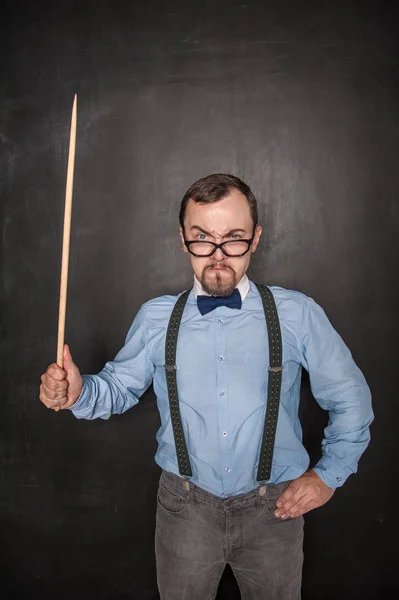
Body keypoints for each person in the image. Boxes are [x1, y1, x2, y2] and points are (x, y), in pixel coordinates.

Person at [40, 174, 373, 600]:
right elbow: (118, 389)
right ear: (183, 239)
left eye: (233, 238)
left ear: (255, 239)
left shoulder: (297, 314)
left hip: (275, 510)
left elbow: (352, 401)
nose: (217, 256)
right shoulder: (156, 318)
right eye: (202, 238)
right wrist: (76, 392)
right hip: (184, 510)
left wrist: (327, 477)